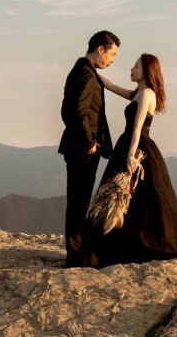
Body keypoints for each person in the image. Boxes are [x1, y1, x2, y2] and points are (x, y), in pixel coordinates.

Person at [83, 53, 177, 268]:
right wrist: (91, 70)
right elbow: (113, 86)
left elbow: (137, 128)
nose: (131, 69)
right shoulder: (139, 93)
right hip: (129, 146)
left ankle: (126, 247)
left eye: (136, 66)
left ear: (147, 71)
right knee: (125, 199)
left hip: (137, 147)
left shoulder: (146, 94)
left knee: (131, 198)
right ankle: (120, 244)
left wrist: (131, 157)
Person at [59, 30, 120, 267]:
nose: (113, 60)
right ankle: (75, 257)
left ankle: (77, 254)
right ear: (100, 49)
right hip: (83, 149)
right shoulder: (85, 74)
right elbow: (77, 112)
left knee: (79, 199)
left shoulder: (81, 70)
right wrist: (89, 142)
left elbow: (67, 111)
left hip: (79, 146)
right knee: (79, 201)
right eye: (112, 54)